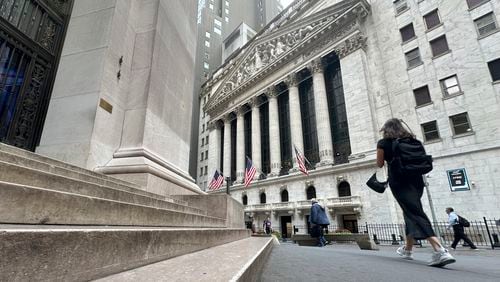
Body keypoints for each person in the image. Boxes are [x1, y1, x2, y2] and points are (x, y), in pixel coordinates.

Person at [377, 118, 455, 267]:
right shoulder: (413, 140)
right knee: (410, 211)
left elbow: (380, 164)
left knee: (415, 212)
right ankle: (408, 249)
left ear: (386, 130)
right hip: (417, 181)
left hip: (399, 181)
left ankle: (440, 250)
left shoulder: (383, 143)